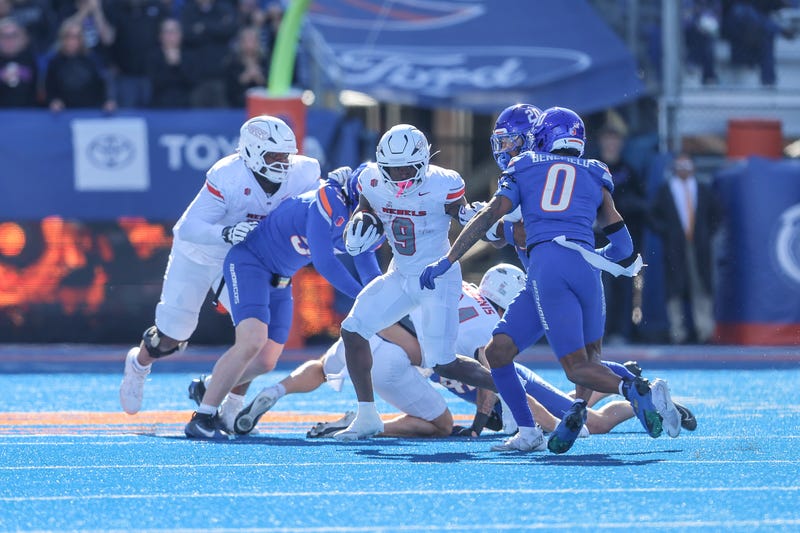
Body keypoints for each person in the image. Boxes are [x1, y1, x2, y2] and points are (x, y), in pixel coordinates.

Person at [420, 106, 681, 454]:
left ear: (536, 139)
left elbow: (507, 228)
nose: (506, 149)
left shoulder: (524, 169)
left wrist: (454, 253)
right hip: (576, 271)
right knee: (503, 352)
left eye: (512, 141)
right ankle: (544, 425)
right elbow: (623, 245)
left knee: (578, 367)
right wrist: (595, 256)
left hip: (548, 274)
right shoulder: (594, 171)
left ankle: (631, 389)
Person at [119, 115, 322, 416]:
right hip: (199, 253)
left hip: (244, 259)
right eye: (273, 156)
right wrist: (224, 233)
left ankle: (230, 402)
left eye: (285, 156)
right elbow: (186, 228)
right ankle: (139, 363)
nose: (282, 163)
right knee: (172, 336)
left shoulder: (304, 173)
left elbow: (320, 210)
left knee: (257, 340)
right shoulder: (228, 175)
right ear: (251, 152)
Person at [183, 172, 383, 439]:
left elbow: (368, 269)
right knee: (252, 340)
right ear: (356, 194)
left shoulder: (368, 220)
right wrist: (363, 298)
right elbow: (325, 263)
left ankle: (207, 388)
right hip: (250, 262)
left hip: (282, 277)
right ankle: (202, 418)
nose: (378, 207)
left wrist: (382, 300)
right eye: (373, 200)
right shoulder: (329, 201)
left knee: (265, 361)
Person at [333, 124, 497, 441]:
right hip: (400, 273)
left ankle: (514, 392)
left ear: (422, 162)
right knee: (353, 329)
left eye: (406, 168)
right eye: (392, 169)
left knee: (443, 363)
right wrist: (358, 224)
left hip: (436, 277)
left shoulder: (443, 183)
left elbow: (461, 212)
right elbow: (366, 211)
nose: (398, 176)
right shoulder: (370, 179)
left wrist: (468, 216)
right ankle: (367, 415)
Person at [648, 153, 722, 344]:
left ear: (694, 168)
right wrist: (667, 232)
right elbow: (653, 216)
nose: (684, 169)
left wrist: (707, 233)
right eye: (680, 166)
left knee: (702, 286)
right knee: (674, 288)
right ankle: (677, 331)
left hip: (699, 246)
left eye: (687, 165)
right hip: (675, 246)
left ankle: (704, 329)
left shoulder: (703, 190)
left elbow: (717, 214)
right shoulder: (665, 191)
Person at [592, 114, 648, 345]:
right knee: (600, 287)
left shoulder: (628, 171)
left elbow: (640, 203)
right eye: (608, 139)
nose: (611, 144)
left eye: (615, 139)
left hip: (622, 241)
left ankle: (620, 331)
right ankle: (598, 332)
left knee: (624, 286)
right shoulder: (592, 168)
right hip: (596, 240)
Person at [44, 18, 115, 111]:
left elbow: (101, 86)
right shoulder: (54, 62)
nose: (72, 41)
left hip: (89, 112)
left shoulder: (92, 60)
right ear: (62, 38)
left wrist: (107, 101)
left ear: (81, 39)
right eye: (68, 36)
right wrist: (53, 101)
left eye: (76, 37)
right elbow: (49, 89)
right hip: (63, 113)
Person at [0, 18, 39, 108]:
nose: (9, 40)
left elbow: (38, 90)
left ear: (22, 38)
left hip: (27, 114)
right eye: (4, 36)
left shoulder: (30, 59)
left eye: (13, 36)